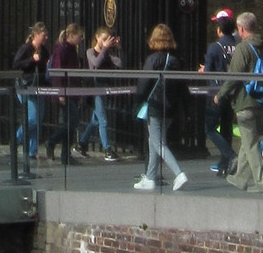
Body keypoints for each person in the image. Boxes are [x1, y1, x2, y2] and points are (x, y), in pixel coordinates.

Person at [132, 23, 188, 192]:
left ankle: (179, 173)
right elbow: (183, 86)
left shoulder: (152, 60)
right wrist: (186, 108)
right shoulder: (176, 61)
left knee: (159, 143)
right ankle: (150, 178)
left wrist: (137, 101)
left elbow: (143, 83)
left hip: (155, 105)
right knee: (153, 142)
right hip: (171, 106)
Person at [226, 11, 263, 192]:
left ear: (241, 28)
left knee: (251, 144)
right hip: (261, 101)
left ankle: (262, 183)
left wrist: (220, 95)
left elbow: (233, 77)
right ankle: (240, 178)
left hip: (244, 102)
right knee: (249, 141)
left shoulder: (243, 48)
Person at [74, 27, 120, 160]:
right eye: (103, 39)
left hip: (105, 87)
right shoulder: (90, 51)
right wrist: (105, 49)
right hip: (96, 87)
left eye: (108, 39)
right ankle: (107, 149)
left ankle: (81, 144)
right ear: (97, 38)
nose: (106, 42)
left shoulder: (108, 53)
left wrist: (119, 48)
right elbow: (96, 63)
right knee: (103, 120)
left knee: (95, 120)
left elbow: (120, 63)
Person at [11, 22, 50, 176]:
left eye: (46, 35)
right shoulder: (26, 48)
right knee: (32, 118)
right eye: (43, 35)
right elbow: (16, 64)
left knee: (38, 120)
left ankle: (32, 151)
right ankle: (16, 140)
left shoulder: (44, 51)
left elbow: (45, 69)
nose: (46, 38)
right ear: (36, 35)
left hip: (39, 87)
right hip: (26, 87)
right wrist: (31, 60)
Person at [203, 10, 238, 176]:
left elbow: (208, 71)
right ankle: (225, 165)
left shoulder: (214, 47)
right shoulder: (238, 45)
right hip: (233, 91)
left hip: (217, 92)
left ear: (219, 29)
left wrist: (203, 70)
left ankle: (231, 156)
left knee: (209, 128)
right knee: (226, 127)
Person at [43, 22, 83, 163]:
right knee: (72, 122)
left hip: (72, 91)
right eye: (79, 36)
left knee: (70, 123)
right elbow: (57, 71)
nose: (81, 39)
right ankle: (51, 141)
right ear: (71, 35)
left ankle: (65, 155)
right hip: (65, 92)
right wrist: (60, 92)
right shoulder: (61, 49)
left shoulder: (72, 49)